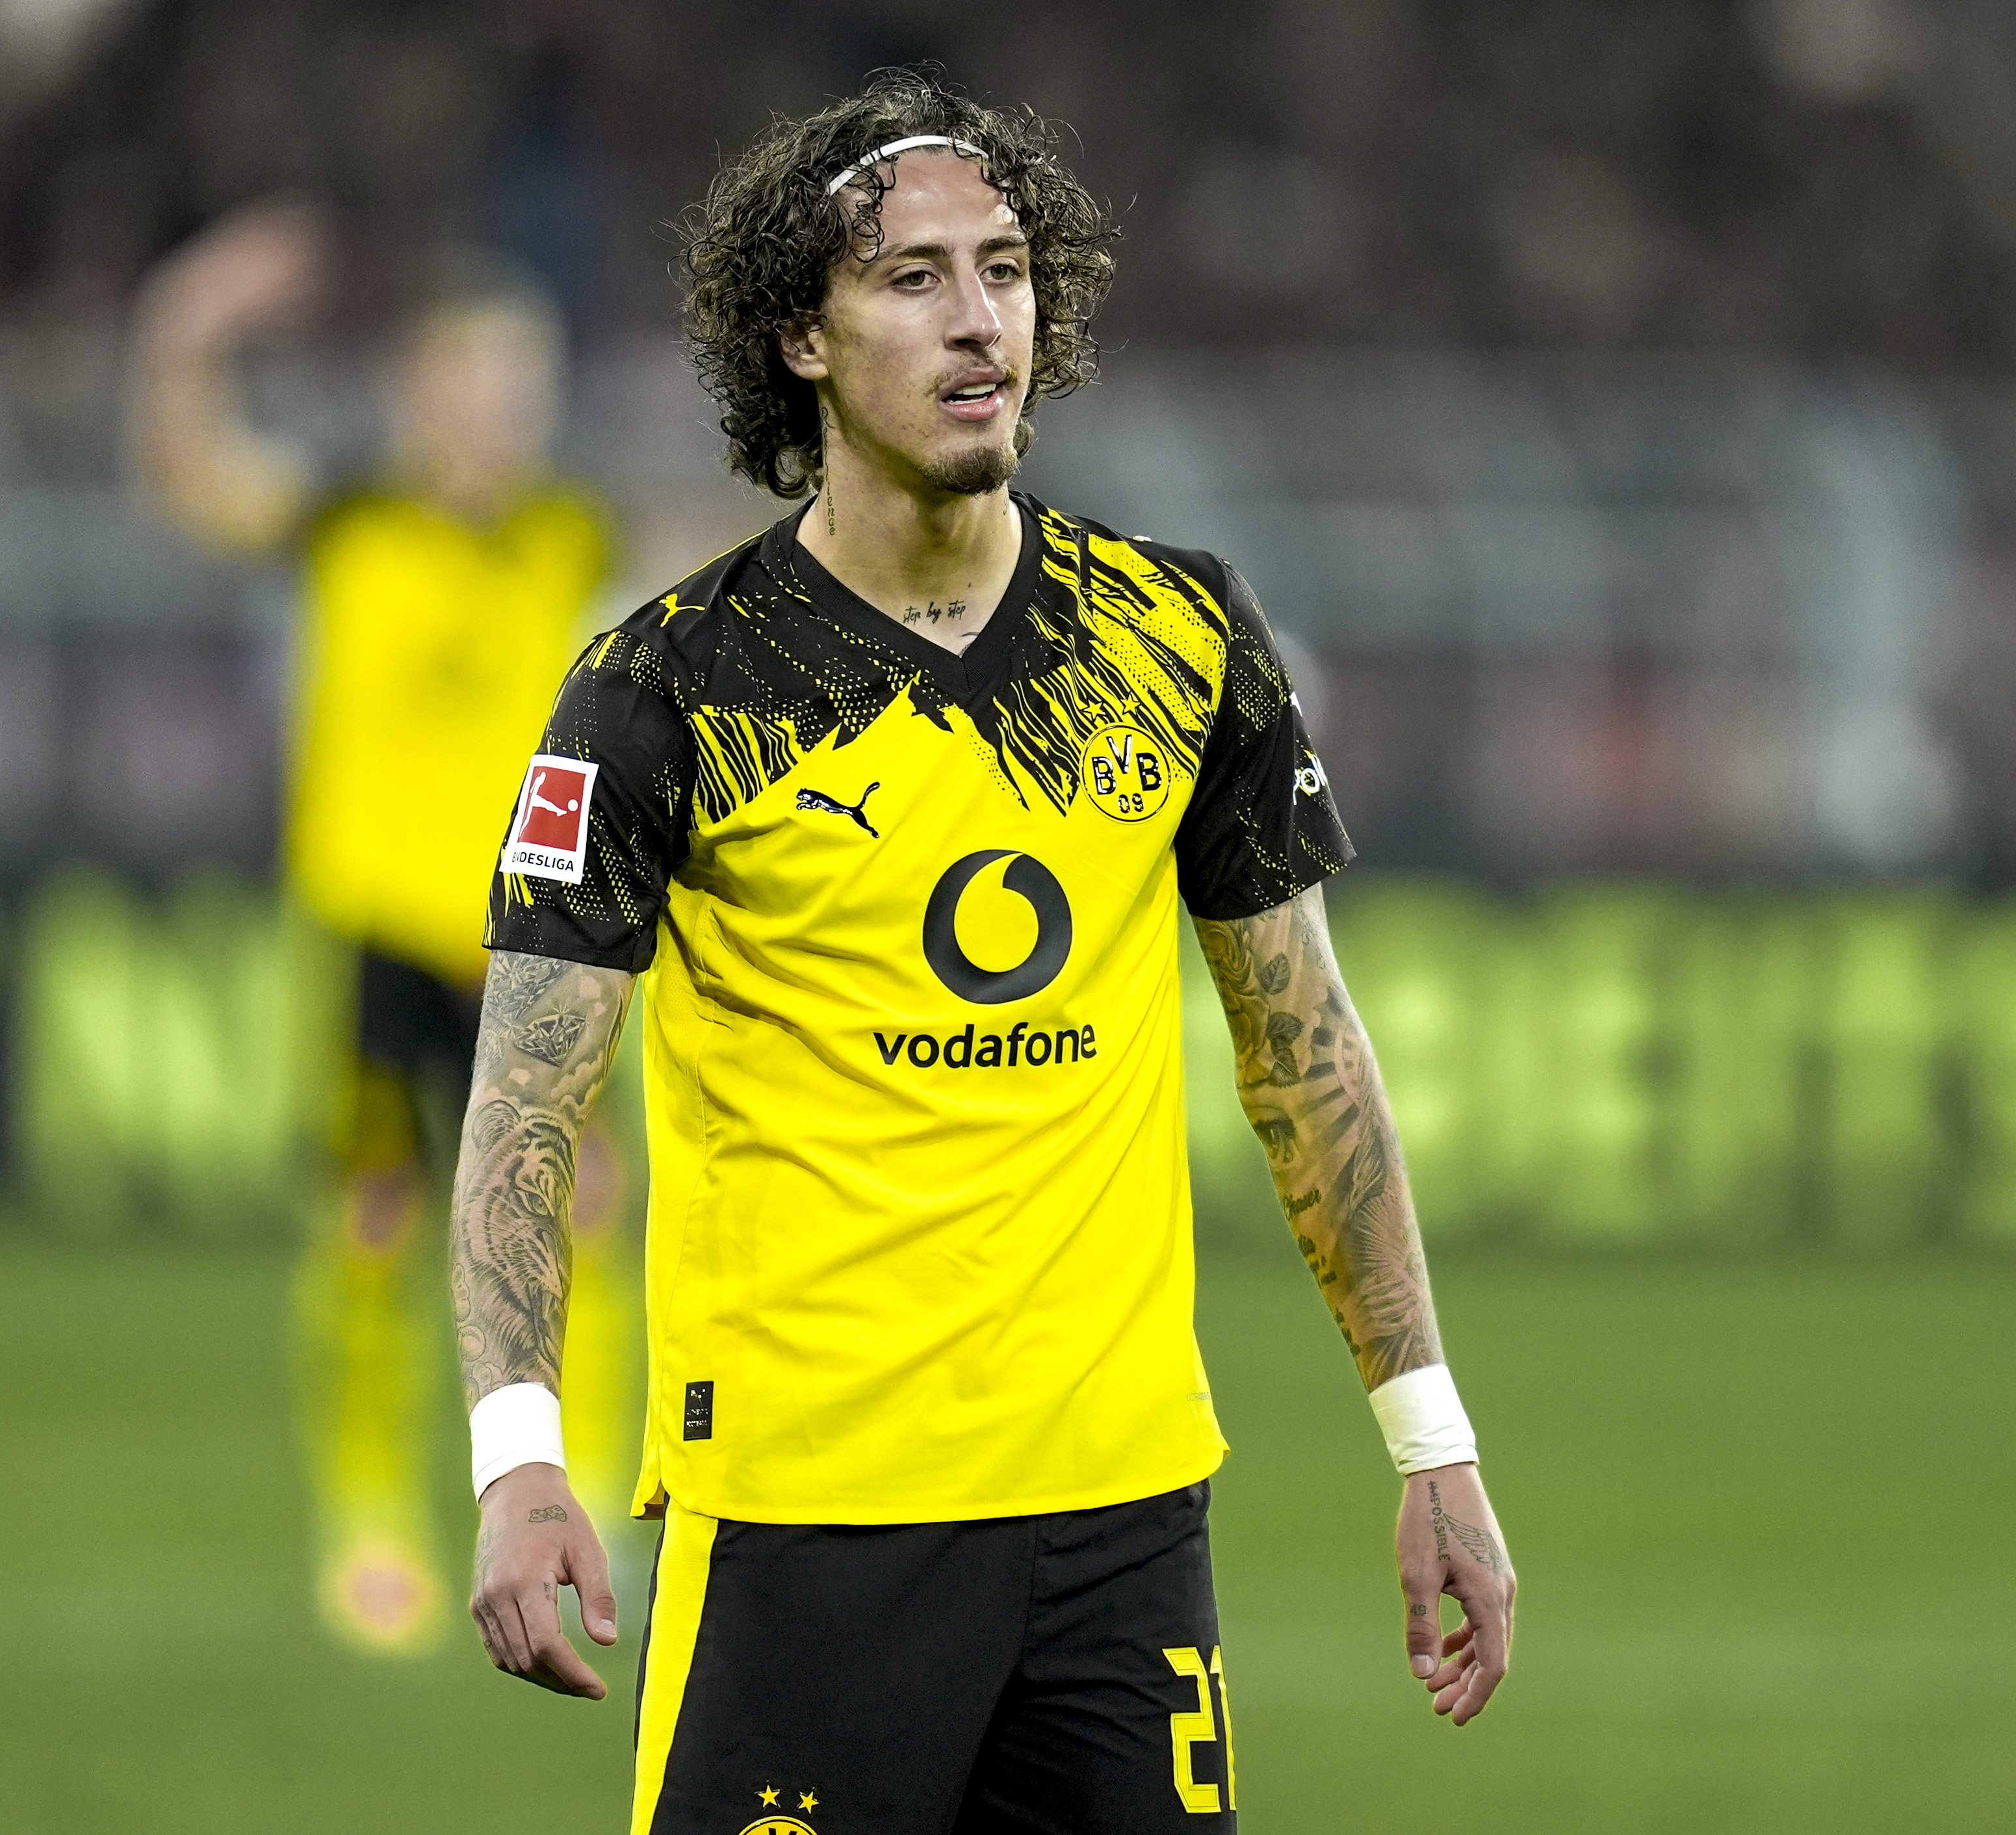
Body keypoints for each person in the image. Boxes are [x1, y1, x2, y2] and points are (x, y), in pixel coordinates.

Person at [453, 72, 1516, 1832]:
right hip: (804, 1522)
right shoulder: (667, 689)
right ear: (799, 338)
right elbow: (523, 1107)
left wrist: (1432, 1442)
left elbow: (1305, 1052)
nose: (978, 320)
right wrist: (519, 1456)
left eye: (1006, 270)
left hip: (1122, 1527)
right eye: (914, 277)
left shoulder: (1179, 636)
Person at [131, 207, 624, 1656]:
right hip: (374, 926)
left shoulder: (574, 536)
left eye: (519, 386)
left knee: (583, 1201)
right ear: (417, 391)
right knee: (377, 1219)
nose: (496, 414)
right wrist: (184, 329)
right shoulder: (346, 525)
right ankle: (370, 1520)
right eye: (472, 382)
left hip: (534, 935)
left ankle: (590, 1491)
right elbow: (193, 479)